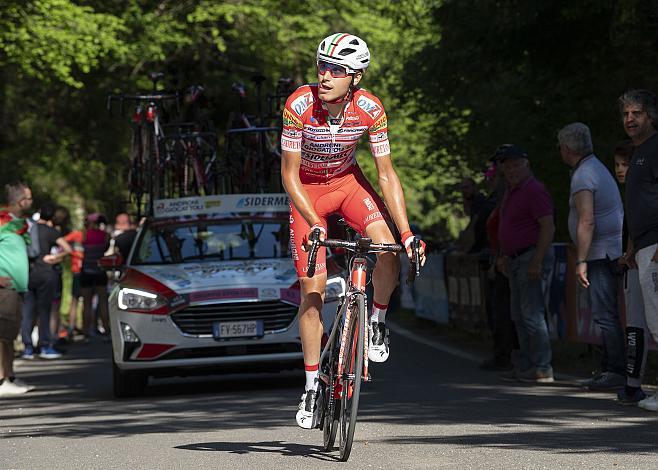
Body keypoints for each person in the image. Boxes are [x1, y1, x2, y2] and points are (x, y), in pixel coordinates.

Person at [280, 32, 426, 428]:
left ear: (355, 78)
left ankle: (376, 322)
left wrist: (408, 232)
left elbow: (386, 174)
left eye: (337, 70)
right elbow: (288, 175)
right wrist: (313, 222)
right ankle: (312, 385)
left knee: (388, 248)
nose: (325, 76)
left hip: (347, 184)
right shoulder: (298, 104)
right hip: (307, 193)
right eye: (321, 66)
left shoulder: (370, 110)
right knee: (312, 292)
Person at [558, 122, 626, 391]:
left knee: (605, 314)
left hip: (601, 254)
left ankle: (616, 371)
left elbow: (587, 220)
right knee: (606, 312)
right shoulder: (594, 167)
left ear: (566, 148)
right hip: (608, 250)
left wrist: (581, 260)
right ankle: (610, 368)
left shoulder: (584, 175)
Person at [495, 144, 555, 384]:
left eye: (516, 164)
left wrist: (537, 260)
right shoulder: (512, 190)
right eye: (507, 166)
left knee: (531, 314)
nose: (512, 170)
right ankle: (529, 364)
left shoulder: (533, 190)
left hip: (529, 257)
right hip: (515, 259)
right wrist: (503, 255)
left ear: (526, 163)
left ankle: (542, 366)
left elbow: (548, 225)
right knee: (519, 315)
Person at [618, 89, 658, 411]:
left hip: (657, 246)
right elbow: (638, 205)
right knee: (653, 321)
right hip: (642, 247)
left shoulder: (656, 148)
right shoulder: (638, 152)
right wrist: (631, 246)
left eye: (637, 113)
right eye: (626, 114)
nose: (630, 119)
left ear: (651, 116)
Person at [612, 140, 651, 404]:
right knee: (635, 325)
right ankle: (632, 383)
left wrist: (632, 251)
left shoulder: (643, 193)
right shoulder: (630, 195)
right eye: (617, 165)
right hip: (635, 262)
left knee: (644, 324)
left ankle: (634, 384)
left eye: (625, 165)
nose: (620, 170)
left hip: (643, 260)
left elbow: (643, 224)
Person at [480, 146, 519, 371]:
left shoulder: (508, 188)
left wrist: (500, 256)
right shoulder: (500, 189)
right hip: (499, 254)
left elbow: (506, 223)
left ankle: (507, 354)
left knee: (506, 309)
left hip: (505, 255)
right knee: (498, 308)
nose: (496, 168)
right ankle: (503, 353)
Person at [20, 203, 72, 360]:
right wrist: (55, 258)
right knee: (44, 312)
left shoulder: (29, 230)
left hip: (28, 273)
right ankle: (45, 346)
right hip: (46, 274)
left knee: (27, 312)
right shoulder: (51, 232)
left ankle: (27, 348)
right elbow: (68, 249)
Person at [0, 183, 33, 396]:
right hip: (5, 288)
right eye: (29, 198)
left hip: (17, 288)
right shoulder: (2, 222)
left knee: (10, 334)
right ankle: (1, 379)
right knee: (2, 334)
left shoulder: (15, 224)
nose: (31, 202)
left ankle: (9, 376)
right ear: (20, 201)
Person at [79, 213, 110, 340]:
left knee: (86, 303)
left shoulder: (84, 235)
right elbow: (106, 248)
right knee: (103, 302)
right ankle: (106, 330)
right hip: (100, 271)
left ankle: (86, 331)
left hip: (86, 271)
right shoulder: (105, 235)